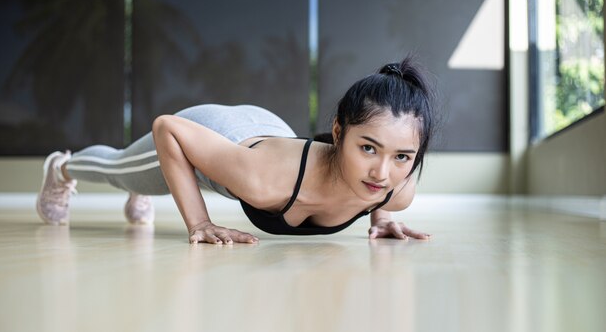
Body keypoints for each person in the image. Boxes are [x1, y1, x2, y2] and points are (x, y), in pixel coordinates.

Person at [37, 55, 435, 244]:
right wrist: (199, 223)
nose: (382, 174)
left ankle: (144, 185)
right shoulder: (264, 181)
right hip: (223, 134)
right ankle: (62, 169)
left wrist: (378, 218)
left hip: (267, 134)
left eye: (402, 156)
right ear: (338, 132)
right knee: (122, 168)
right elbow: (167, 128)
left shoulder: (396, 190)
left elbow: (383, 179)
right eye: (368, 148)